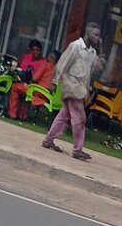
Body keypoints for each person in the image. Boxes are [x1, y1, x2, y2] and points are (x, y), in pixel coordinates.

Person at [42, 23, 105, 162]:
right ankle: (77, 150)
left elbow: (100, 67)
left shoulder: (92, 53)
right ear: (87, 33)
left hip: (81, 89)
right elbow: (62, 64)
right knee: (80, 118)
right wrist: (54, 82)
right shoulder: (75, 46)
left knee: (64, 116)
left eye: (98, 35)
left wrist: (100, 49)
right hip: (72, 86)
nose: (97, 38)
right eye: (95, 34)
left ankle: (48, 140)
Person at [7, 40, 46, 120]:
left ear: (41, 50)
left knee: (15, 87)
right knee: (13, 84)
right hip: (22, 80)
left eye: (37, 50)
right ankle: (20, 114)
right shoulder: (27, 56)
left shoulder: (43, 62)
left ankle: (13, 114)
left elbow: (36, 78)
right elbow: (19, 64)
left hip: (34, 86)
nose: (35, 52)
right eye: (33, 50)